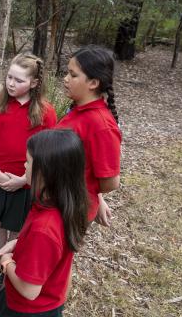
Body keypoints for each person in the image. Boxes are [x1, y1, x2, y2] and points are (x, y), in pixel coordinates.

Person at [0, 129, 89, 317]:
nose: (24, 165)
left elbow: (29, 290)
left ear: (46, 172)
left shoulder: (44, 228)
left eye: (28, 161)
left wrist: (7, 262)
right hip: (48, 300)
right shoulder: (62, 204)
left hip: (27, 310)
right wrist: (17, 243)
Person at [0, 53, 57, 261]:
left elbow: (48, 154)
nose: (11, 83)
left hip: (27, 183)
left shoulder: (46, 113)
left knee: (18, 227)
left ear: (34, 83)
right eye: (9, 77)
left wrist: (23, 180)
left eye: (19, 80)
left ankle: (9, 265)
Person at [56, 45, 121, 226]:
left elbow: (110, 182)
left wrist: (91, 193)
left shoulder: (101, 126)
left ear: (93, 83)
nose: (66, 79)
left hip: (70, 209)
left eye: (73, 75)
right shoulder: (78, 109)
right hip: (56, 200)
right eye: (67, 73)